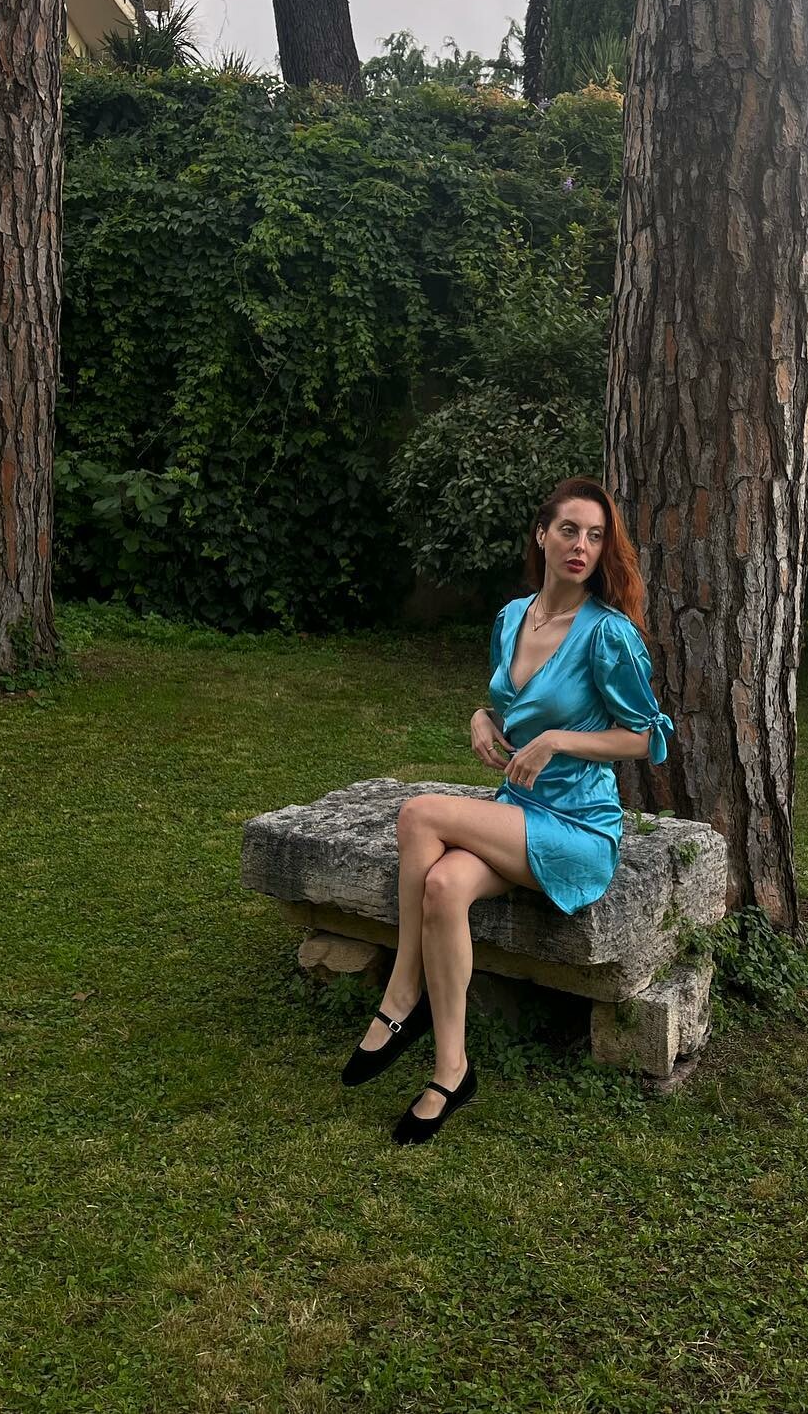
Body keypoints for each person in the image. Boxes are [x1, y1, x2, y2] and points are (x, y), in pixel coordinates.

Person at [341, 476, 676, 1144]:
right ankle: (452, 1070)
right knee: (443, 885)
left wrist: (557, 740)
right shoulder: (513, 617)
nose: (581, 545)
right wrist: (481, 716)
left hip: (579, 826)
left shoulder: (609, 635)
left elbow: (647, 736)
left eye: (596, 535)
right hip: (518, 810)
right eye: (569, 530)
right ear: (541, 534)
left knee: (419, 815)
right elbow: (509, 703)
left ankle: (402, 994)